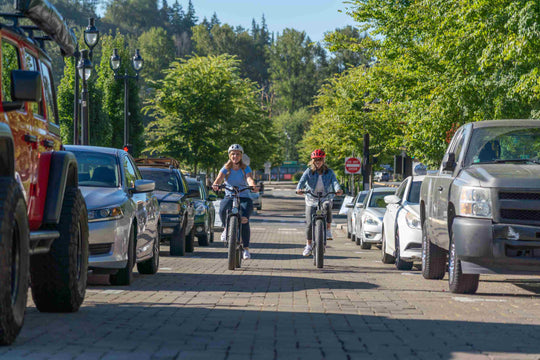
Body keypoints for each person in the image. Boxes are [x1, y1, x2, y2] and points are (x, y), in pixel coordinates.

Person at [212, 144, 258, 260]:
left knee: (244, 219)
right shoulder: (226, 168)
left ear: (241, 156)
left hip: (243, 196)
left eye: (237, 154)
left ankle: (246, 249)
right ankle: (226, 228)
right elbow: (219, 178)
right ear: (229, 155)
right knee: (222, 208)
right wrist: (216, 184)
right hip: (230, 195)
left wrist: (252, 185)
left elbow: (249, 178)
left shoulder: (245, 168)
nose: (235, 156)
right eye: (233, 154)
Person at [296, 149, 343, 257]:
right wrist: (299, 189)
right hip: (311, 198)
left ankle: (328, 229)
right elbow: (301, 181)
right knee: (309, 223)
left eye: (320, 160)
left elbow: (335, 182)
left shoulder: (329, 172)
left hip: (325, 196)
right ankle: (308, 245)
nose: (318, 162)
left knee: (327, 206)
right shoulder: (308, 171)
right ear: (312, 161)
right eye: (316, 160)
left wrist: (338, 189)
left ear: (323, 160)